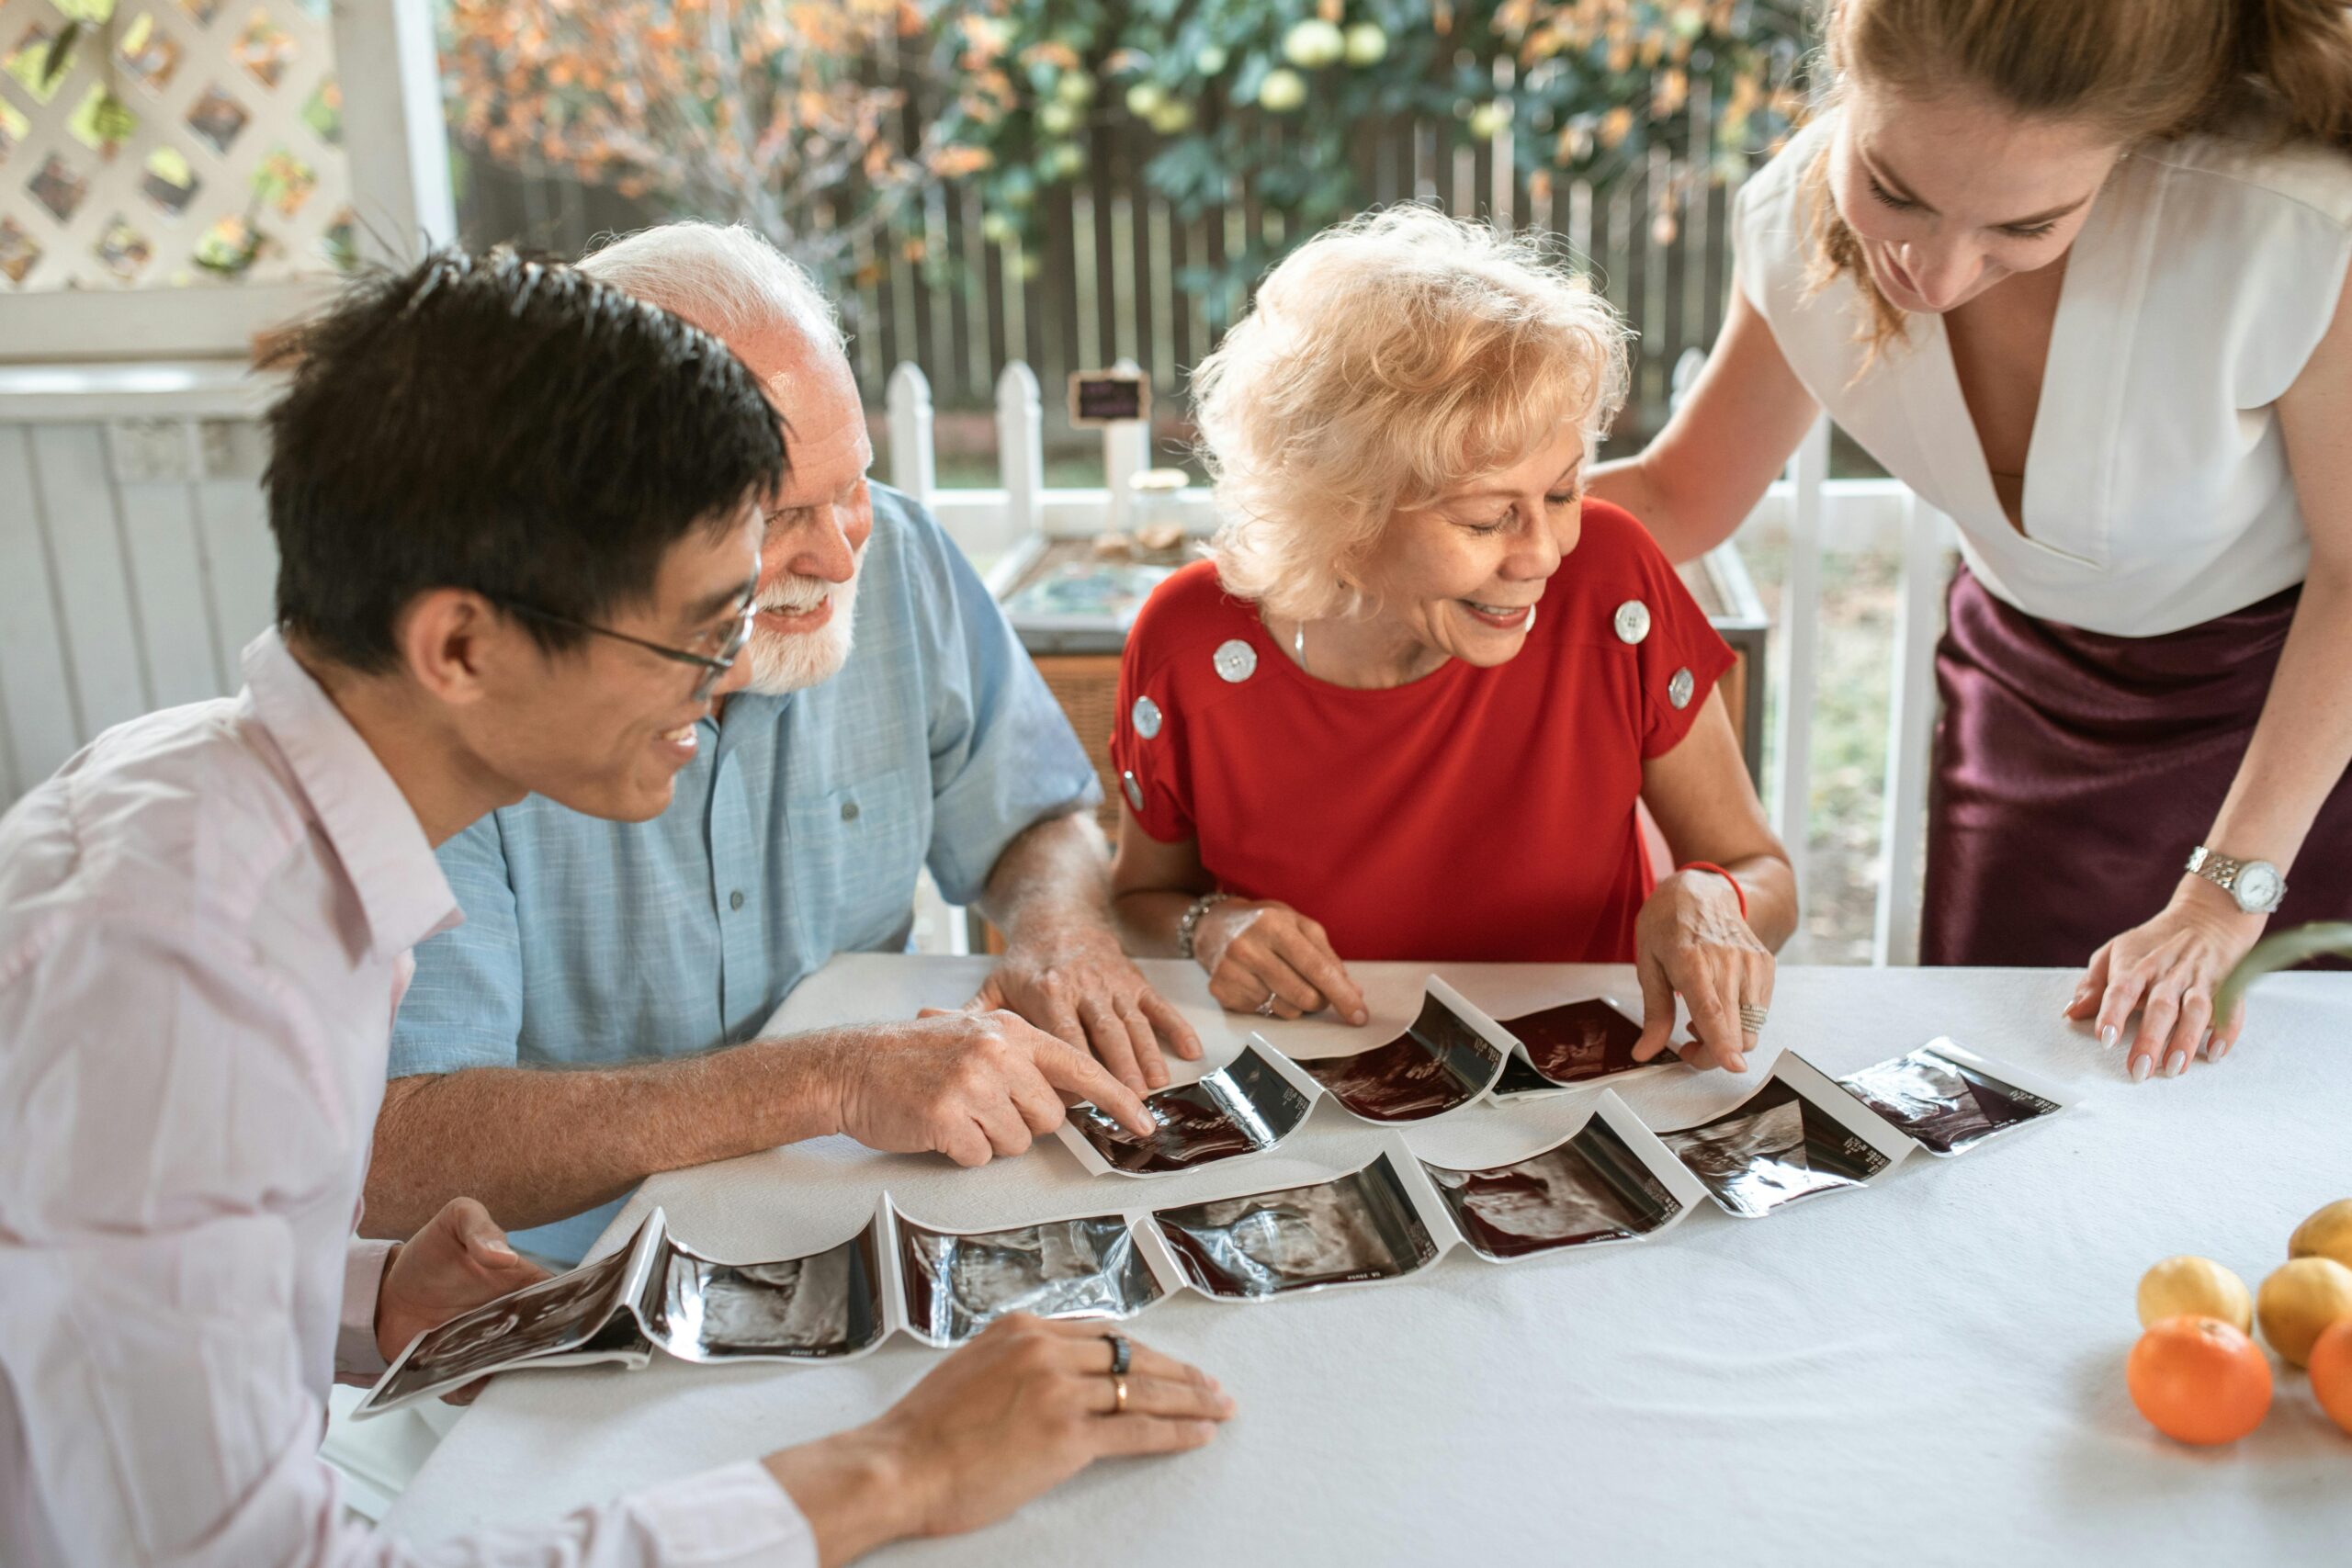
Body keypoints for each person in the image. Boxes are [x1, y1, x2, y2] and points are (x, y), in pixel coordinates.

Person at [0, 249, 1229, 1568]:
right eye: (702, 629)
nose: (729, 680)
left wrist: (357, 1297)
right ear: (463, 648)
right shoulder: (193, 975)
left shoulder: (257, 828)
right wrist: (890, 1468)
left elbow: (92, 1291)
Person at [373, 222, 1191, 1265]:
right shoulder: (471, 688)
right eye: (781, 514)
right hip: (581, 1272)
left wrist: (1055, 934)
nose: (846, 550)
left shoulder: (893, 552)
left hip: (880, 1219)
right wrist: (834, 1078)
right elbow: (398, 1147)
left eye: (852, 483)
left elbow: (1031, 818)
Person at [1588, 0, 2352, 1082]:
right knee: (1998, 1087)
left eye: (2026, 228)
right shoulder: (1786, 216)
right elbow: (1675, 495)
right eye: (1893, 191)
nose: (1935, 276)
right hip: (2024, 699)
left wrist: (2223, 896)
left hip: (2300, 724)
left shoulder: (2295, 234)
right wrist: (1375, 517)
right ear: (1844, 79)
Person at [1108, 208, 1796, 1071]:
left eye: (1561, 493)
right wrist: (1208, 925)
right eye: (1485, 518)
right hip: (1322, 1084)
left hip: (1581, 1080)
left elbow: (1758, 867)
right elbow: (1139, 895)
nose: (1542, 554)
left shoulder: (1614, 579)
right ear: (1344, 517)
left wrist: (1711, 895)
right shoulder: (1192, 643)